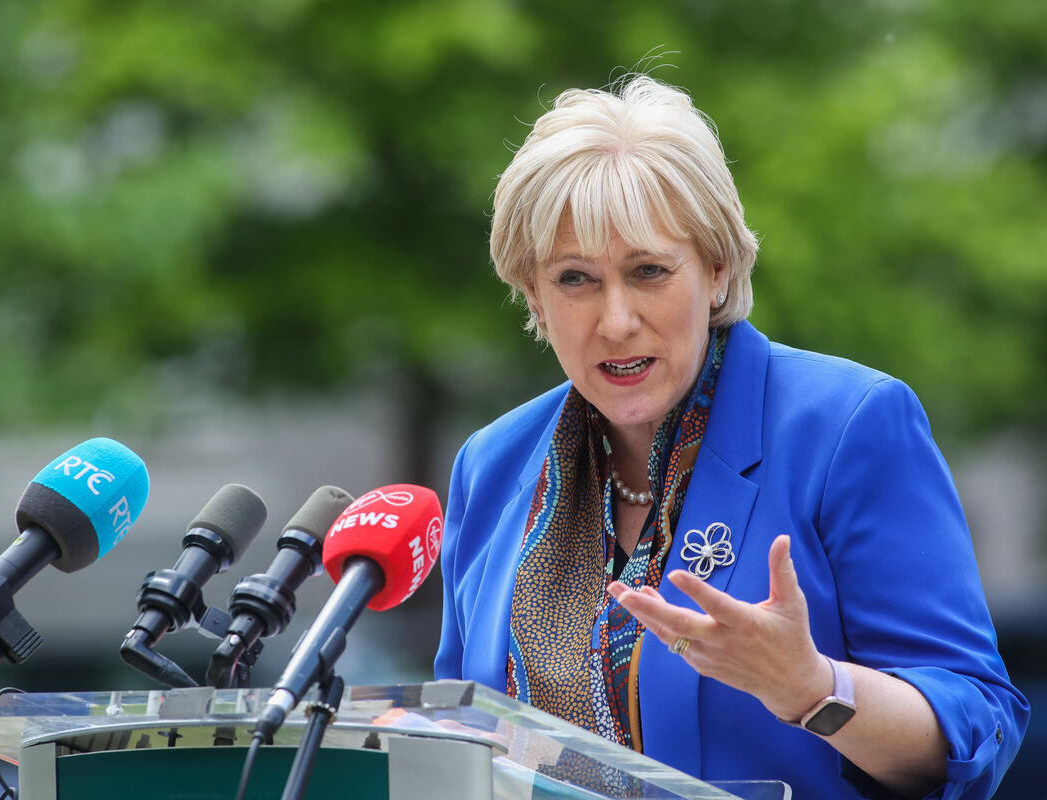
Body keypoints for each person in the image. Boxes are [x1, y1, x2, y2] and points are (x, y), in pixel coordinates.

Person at [434, 73, 1028, 800]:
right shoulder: (491, 465)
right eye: (575, 279)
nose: (616, 319)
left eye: (649, 271)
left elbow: (977, 728)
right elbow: (456, 743)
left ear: (716, 270)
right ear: (533, 293)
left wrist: (814, 687)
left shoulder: (847, 425)